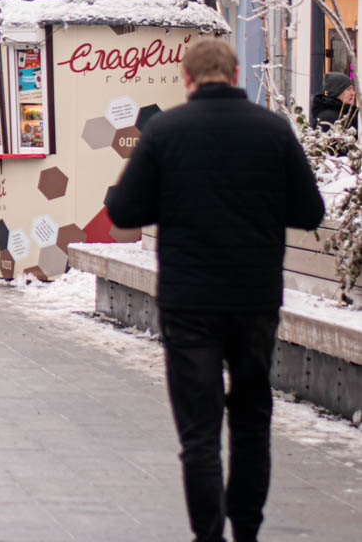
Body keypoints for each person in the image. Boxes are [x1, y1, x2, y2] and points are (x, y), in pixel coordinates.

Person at [107, 40, 324, 542]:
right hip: (254, 300)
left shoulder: (164, 132)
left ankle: (208, 535)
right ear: (233, 74)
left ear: (186, 78)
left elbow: (125, 212)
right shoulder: (273, 131)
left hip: (189, 304)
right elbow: (310, 211)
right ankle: (246, 531)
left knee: (199, 431)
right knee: (251, 420)